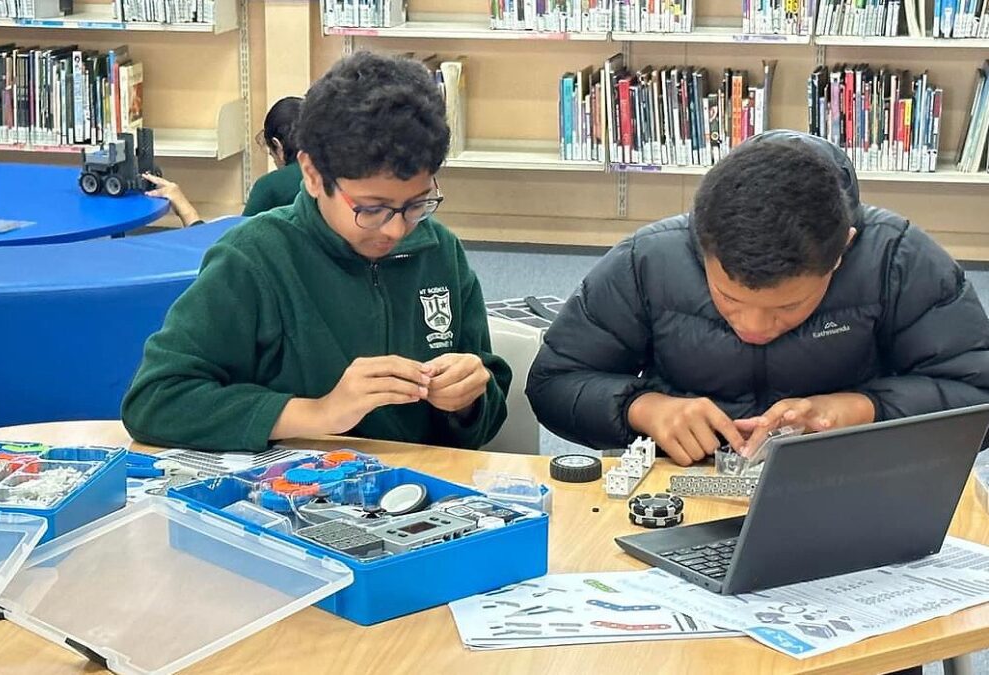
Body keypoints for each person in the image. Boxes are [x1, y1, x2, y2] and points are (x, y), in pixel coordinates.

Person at [526, 129, 989, 467]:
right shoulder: (648, 258)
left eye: (788, 307)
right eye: (727, 297)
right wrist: (644, 409)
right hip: (680, 486)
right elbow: (554, 382)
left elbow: (977, 394)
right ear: (700, 243)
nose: (753, 327)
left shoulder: (898, 259)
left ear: (842, 250)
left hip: (851, 481)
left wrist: (856, 410)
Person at [121, 51, 510, 451]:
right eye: (371, 209)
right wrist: (319, 412)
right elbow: (154, 401)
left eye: (416, 204)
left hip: (422, 490)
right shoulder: (252, 258)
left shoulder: (438, 249)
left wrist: (469, 399)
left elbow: (487, 404)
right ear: (311, 173)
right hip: (294, 494)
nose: (396, 229)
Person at [142, 96, 304, 226]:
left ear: (278, 145)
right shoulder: (327, 173)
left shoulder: (271, 187)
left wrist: (183, 207)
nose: (276, 164)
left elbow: (234, 250)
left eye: (272, 155)